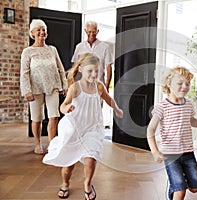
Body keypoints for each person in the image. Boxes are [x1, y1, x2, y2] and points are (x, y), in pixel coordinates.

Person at [42, 53, 123, 200]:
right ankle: (65, 183)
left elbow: (109, 99)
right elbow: (64, 105)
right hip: (75, 128)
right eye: (90, 71)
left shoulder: (99, 86)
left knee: (91, 158)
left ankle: (87, 184)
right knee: (69, 165)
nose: (94, 74)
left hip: (92, 128)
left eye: (97, 71)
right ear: (80, 69)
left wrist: (117, 109)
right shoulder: (75, 88)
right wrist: (65, 108)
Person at [147, 66, 197, 200]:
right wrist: (155, 152)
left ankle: (174, 185)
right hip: (170, 154)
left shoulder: (189, 104)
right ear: (169, 84)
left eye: (188, 83)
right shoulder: (162, 107)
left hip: (188, 152)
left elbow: (191, 121)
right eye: (180, 83)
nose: (185, 86)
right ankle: (177, 185)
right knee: (180, 191)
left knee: (195, 187)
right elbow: (150, 130)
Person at [20, 19, 68, 155]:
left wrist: (64, 85)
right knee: (37, 118)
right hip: (35, 89)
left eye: (43, 29)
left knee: (54, 116)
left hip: (52, 87)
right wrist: (27, 91)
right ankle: (37, 143)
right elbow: (24, 73)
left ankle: (52, 144)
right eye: (38, 30)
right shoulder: (27, 52)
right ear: (32, 33)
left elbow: (60, 69)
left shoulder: (52, 49)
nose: (42, 32)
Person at [71, 21, 113, 91]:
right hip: (82, 86)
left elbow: (109, 68)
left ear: (97, 31)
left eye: (94, 32)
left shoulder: (105, 47)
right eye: (89, 31)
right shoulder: (79, 47)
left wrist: (107, 86)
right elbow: (75, 66)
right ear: (85, 31)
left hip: (98, 86)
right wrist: (72, 83)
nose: (91, 34)